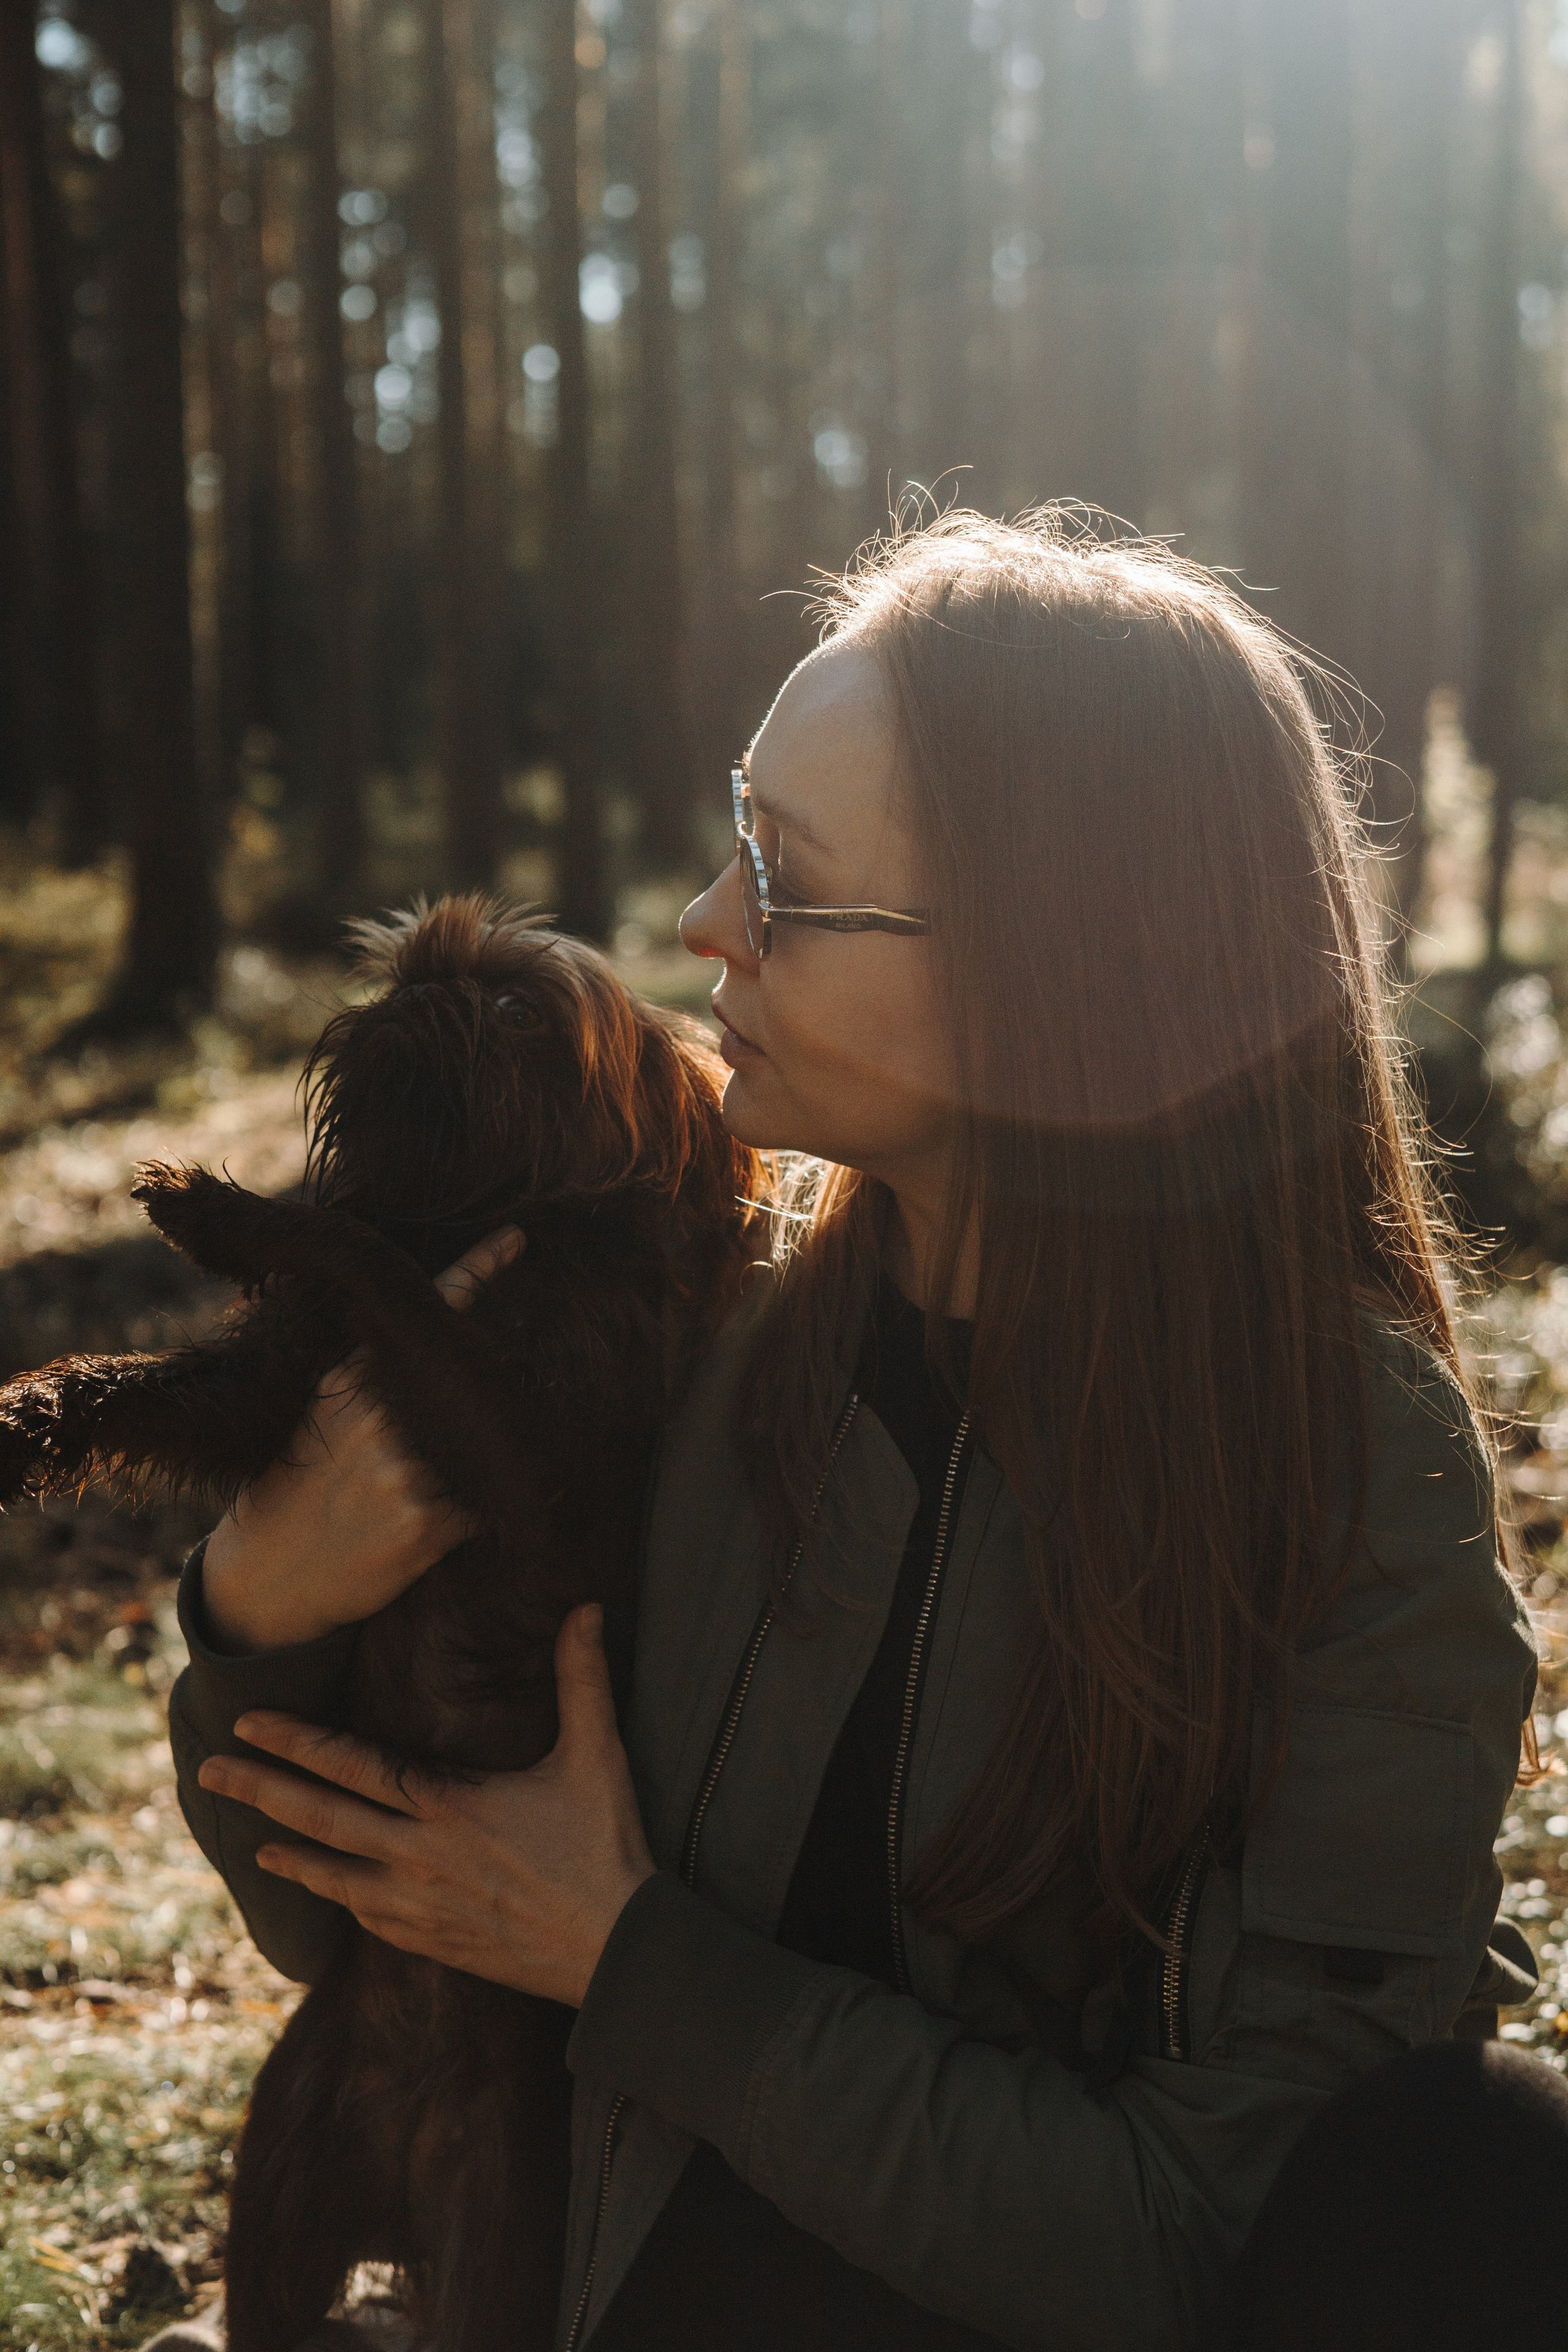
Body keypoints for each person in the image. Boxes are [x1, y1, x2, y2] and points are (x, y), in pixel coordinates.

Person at [156, 510, 1556, 2352]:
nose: (701, 922)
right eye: (738, 831)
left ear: (1056, 968)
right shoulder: (700, 1320)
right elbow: (375, 1923)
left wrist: (635, 1961)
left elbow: (1214, 2236)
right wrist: (264, 1614)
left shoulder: (1354, 1480)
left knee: (1488, 2165)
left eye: (786, 875)